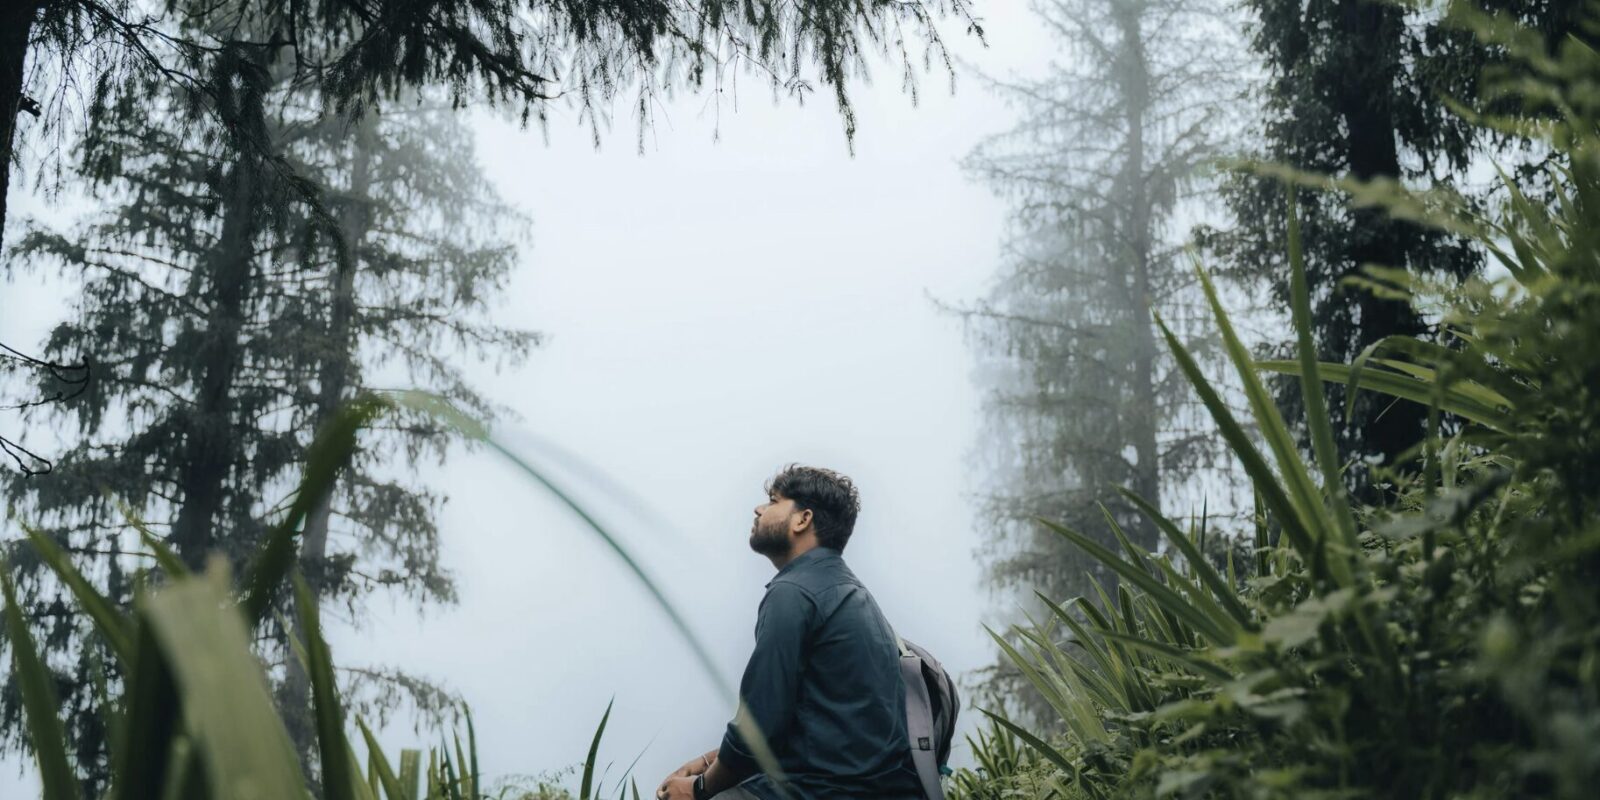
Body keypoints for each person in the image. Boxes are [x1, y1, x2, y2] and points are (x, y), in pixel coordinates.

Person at [655, 465, 924, 800]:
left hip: (824, 790)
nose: (758, 509)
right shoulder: (855, 596)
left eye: (773, 501)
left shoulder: (794, 593)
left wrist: (698, 788)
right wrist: (709, 760)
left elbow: (760, 728)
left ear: (802, 520)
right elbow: (805, 725)